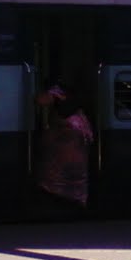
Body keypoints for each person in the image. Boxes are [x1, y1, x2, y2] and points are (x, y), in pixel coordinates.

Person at [33, 84, 94, 214]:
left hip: (58, 182)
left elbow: (40, 100)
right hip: (75, 183)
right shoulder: (81, 122)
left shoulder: (65, 125)